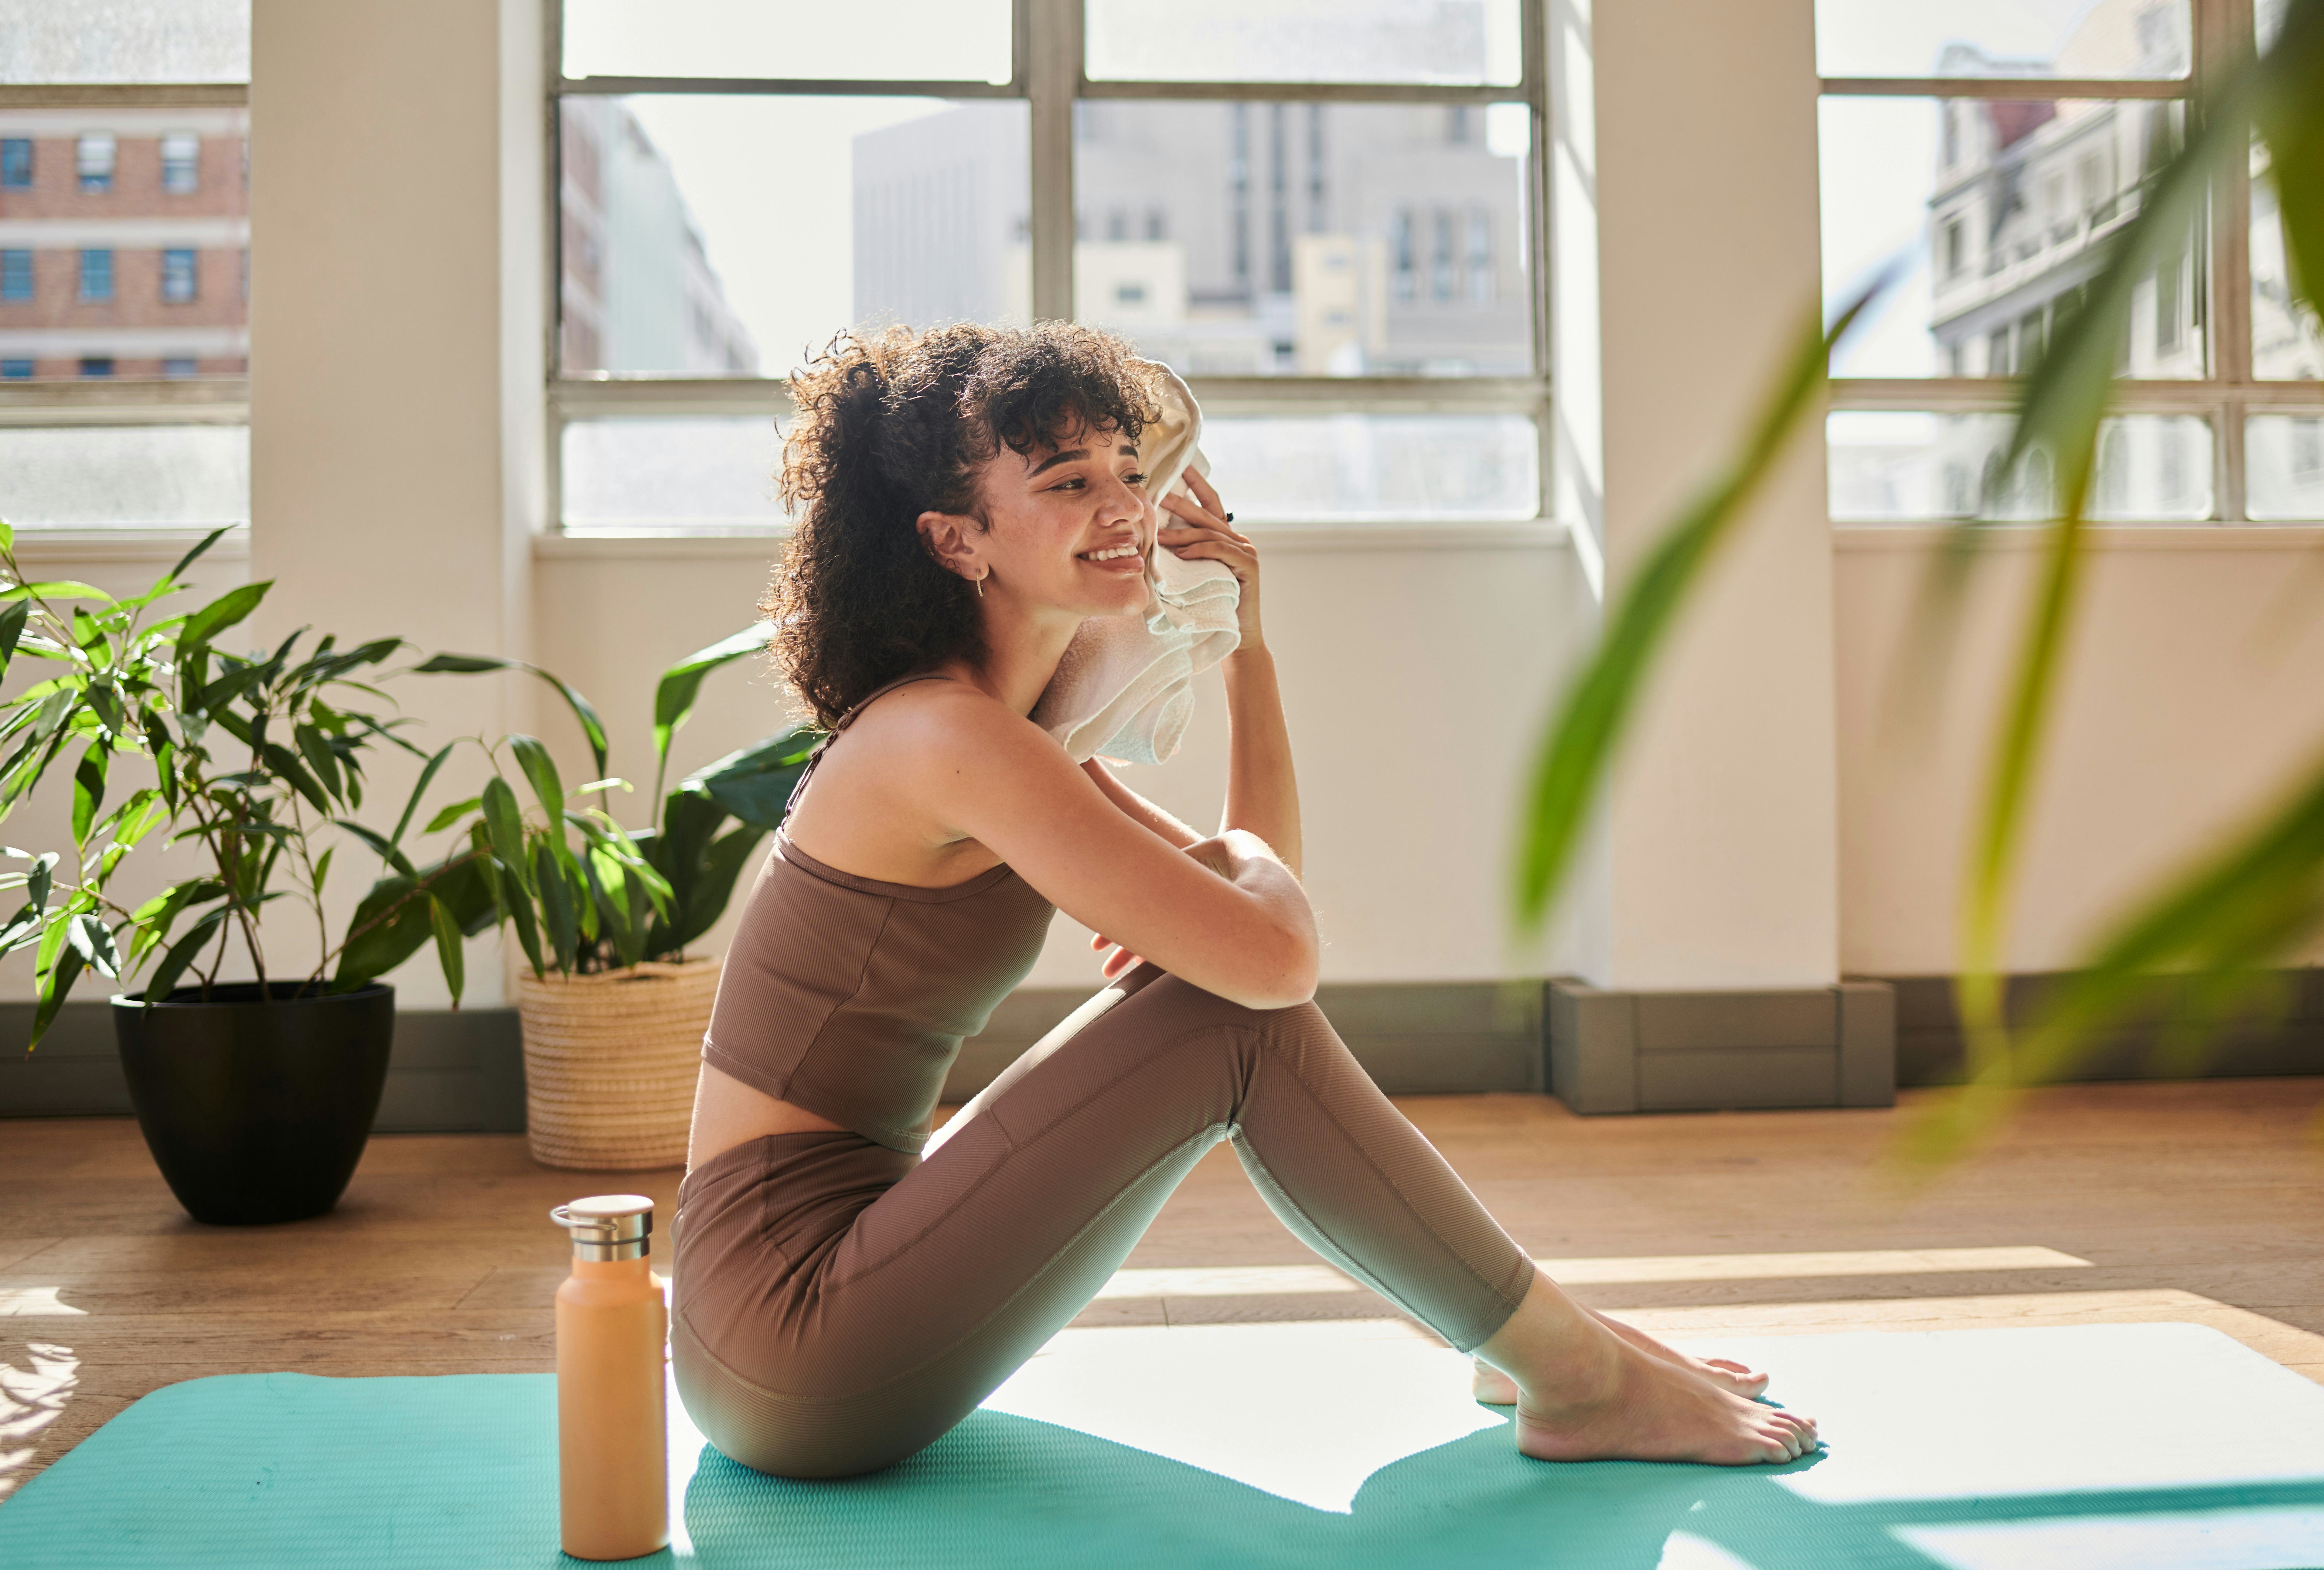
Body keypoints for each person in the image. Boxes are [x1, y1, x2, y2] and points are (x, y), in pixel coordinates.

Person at [669, 321, 1818, 1480]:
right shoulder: (949, 739)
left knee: (1226, 994)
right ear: (955, 540)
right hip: (786, 1329)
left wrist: (1244, 654)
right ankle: (1571, 1372)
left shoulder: (1009, 741)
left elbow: (1262, 926)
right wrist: (1237, 891)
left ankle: (1529, 1344)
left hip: (831, 1282)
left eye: (1127, 469)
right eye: (1067, 482)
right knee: (1227, 1010)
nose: (1123, 506)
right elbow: (1270, 961)